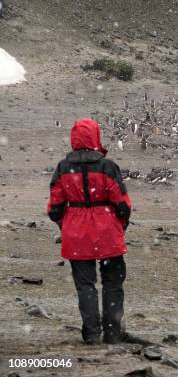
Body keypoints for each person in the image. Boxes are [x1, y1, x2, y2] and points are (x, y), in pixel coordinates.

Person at [47, 119, 132, 344]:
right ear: (96, 137)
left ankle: (92, 334)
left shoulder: (63, 167)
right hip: (107, 232)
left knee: (85, 285)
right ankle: (112, 333)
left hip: (76, 234)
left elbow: (55, 208)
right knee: (112, 283)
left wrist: (67, 223)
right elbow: (122, 204)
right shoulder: (107, 166)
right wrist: (119, 224)